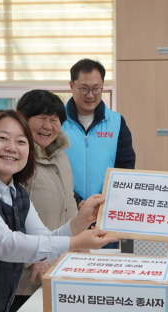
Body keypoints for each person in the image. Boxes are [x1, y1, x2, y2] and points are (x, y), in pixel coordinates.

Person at [0, 109, 118, 312]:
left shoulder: (16, 192)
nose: (12, 147)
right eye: (2, 138)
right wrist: (75, 243)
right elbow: (4, 244)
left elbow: (43, 239)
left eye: (21, 141)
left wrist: (79, 222)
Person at [4, 90, 77, 312]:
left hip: (62, 261)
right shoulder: (17, 158)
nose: (48, 125)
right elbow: (12, 216)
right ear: (23, 119)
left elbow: (68, 200)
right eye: (41, 118)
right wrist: (34, 259)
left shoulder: (60, 155)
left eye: (54, 119)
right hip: (29, 270)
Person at [61, 58, 136, 207]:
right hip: (66, 207)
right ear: (71, 86)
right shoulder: (57, 122)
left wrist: (104, 198)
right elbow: (51, 169)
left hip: (105, 206)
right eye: (84, 88)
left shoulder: (117, 122)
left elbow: (124, 167)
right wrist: (76, 201)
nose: (90, 95)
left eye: (96, 88)